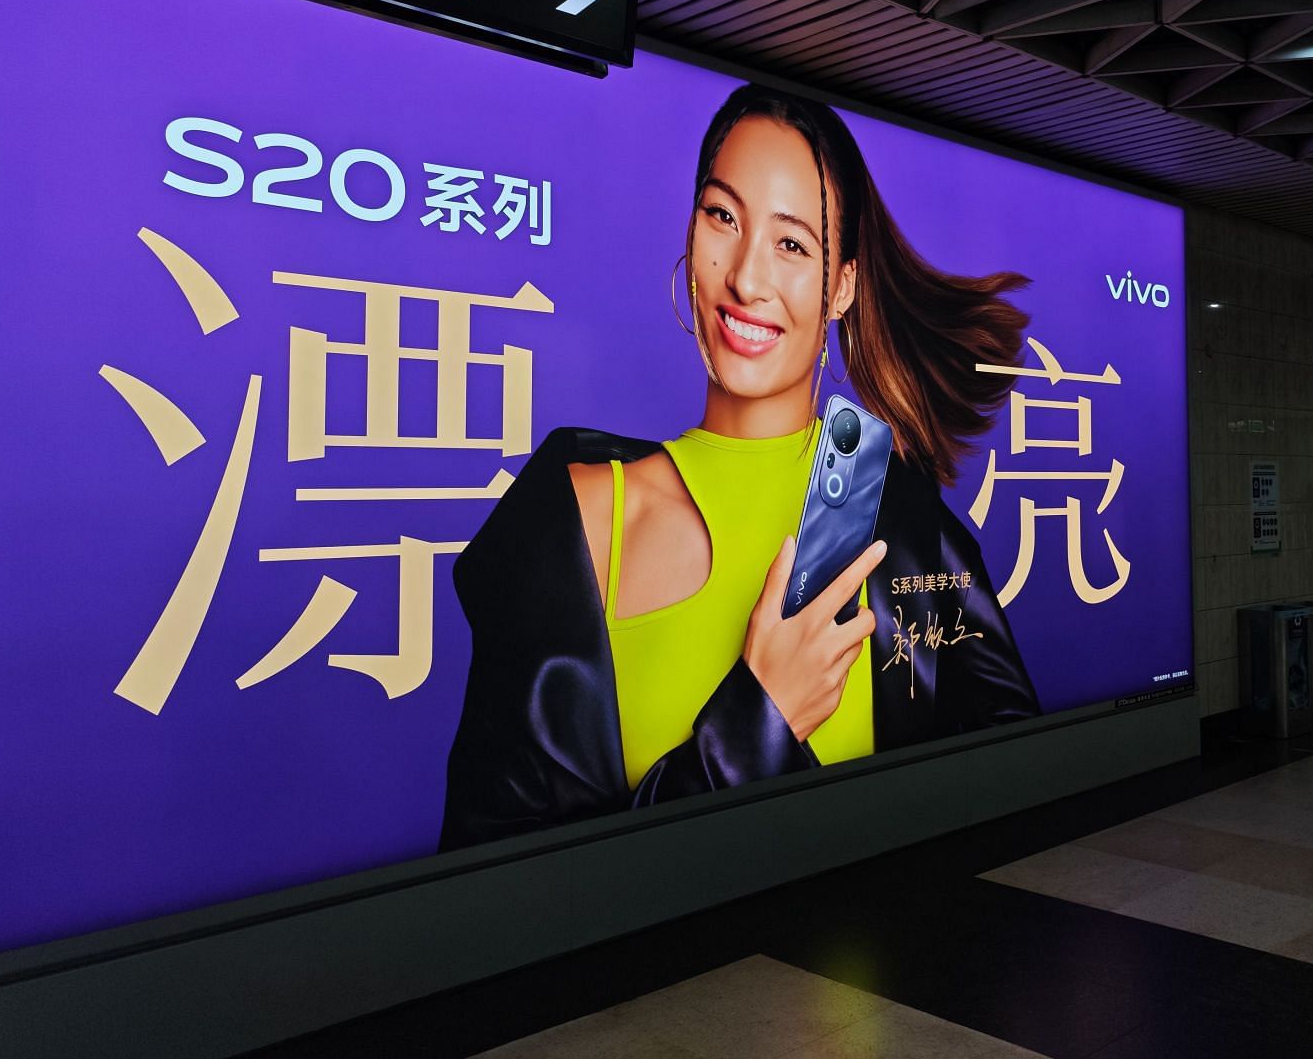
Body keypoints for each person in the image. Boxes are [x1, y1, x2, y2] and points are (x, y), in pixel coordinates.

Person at [438, 84, 1041, 850]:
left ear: (842, 287)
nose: (747, 279)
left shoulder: (886, 510)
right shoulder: (584, 512)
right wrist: (761, 715)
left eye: (793, 244)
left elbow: (1014, 773)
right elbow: (500, 878)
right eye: (723, 216)